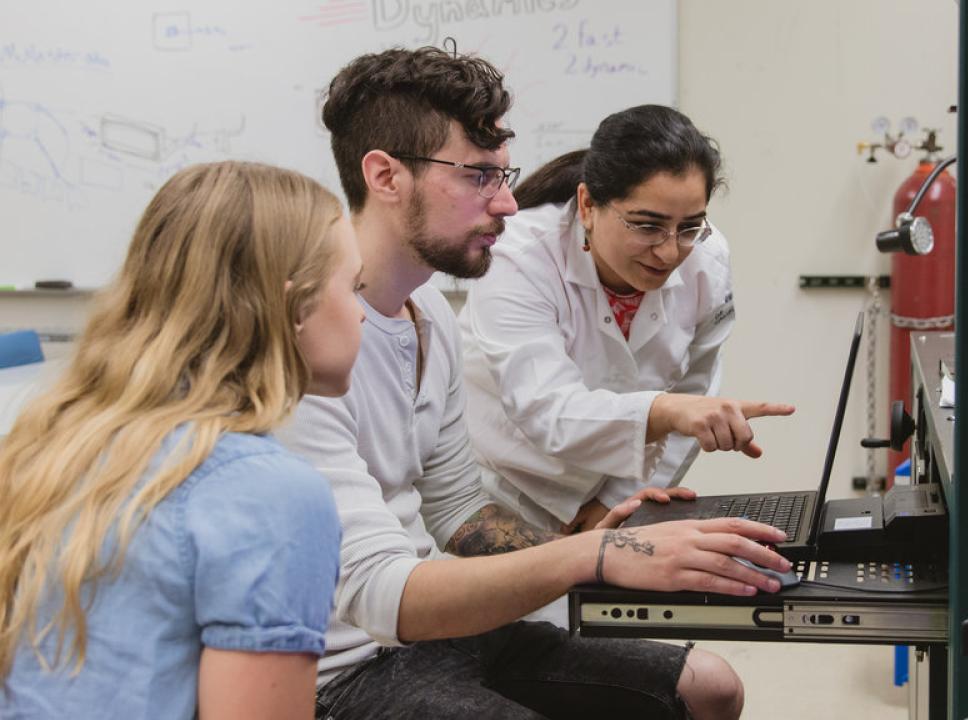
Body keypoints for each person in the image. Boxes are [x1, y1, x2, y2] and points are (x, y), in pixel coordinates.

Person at [275, 47, 792, 720]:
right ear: (385, 176)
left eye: (503, 175)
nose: (508, 202)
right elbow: (377, 594)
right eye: (479, 176)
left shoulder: (428, 311)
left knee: (711, 686)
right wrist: (596, 555)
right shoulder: (302, 344)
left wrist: (621, 545)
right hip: (345, 666)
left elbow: (458, 511)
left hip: (432, 635)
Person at [0, 161, 365, 719]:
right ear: (295, 307)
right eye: (355, 287)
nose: (362, 314)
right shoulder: (269, 496)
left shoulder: (47, 442)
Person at [458, 104, 795, 534]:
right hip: (502, 490)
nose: (669, 251)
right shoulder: (517, 256)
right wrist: (666, 409)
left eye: (689, 227)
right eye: (647, 226)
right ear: (588, 205)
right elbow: (548, 410)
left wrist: (617, 500)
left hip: (606, 494)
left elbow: (695, 389)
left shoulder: (706, 261)